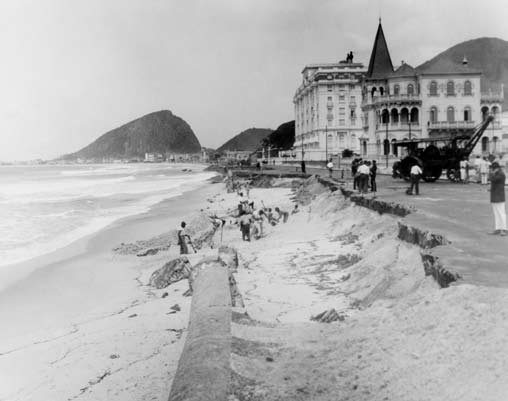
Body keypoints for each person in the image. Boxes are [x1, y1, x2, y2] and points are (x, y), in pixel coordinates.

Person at [488, 162, 507, 236]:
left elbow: (492, 179)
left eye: (492, 168)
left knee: (501, 213)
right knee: (496, 213)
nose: (491, 170)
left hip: (499, 196)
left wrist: (492, 173)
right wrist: (493, 173)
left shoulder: (501, 174)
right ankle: (498, 228)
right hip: (495, 196)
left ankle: (505, 229)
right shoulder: (497, 173)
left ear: (496, 168)